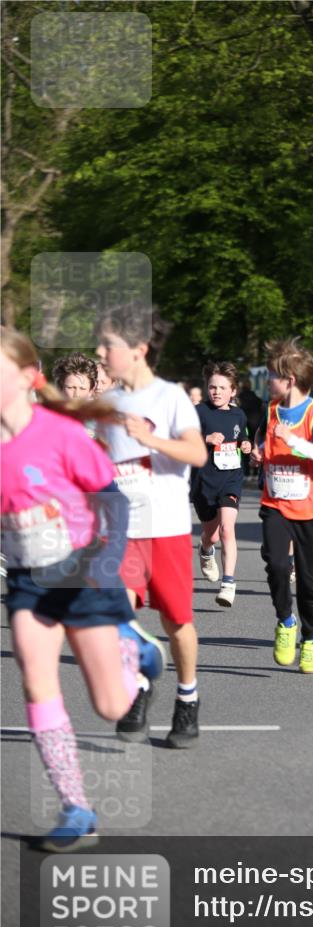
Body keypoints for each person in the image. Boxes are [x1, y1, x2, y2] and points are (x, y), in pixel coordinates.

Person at [0, 328, 161, 851]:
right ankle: (75, 807)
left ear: (27, 378)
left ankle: (135, 649)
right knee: (36, 677)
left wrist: (105, 565)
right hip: (28, 578)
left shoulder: (61, 433)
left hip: (82, 570)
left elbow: (110, 502)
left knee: (112, 707)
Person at [95, 302, 207, 748]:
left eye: (109, 344)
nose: (100, 352)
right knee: (115, 617)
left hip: (167, 528)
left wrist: (149, 439)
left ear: (138, 349)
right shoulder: (106, 403)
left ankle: (187, 696)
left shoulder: (170, 397)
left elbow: (197, 455)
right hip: (121, 533)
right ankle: (139, 687)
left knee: (177, 620)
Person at [252, 338, 313, 674]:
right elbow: (264, 440)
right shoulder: (272, 409)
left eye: (272, 375)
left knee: (310, 577)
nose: (268, 380)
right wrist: (259, 451)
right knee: (275, 564)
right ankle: (285, 622)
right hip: (275, 502)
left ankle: (312, 637)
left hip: (310, 507)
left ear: (289, 379)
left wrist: (296, 443)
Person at [191, 361, 252, 607]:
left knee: (228, 529)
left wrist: (246, 445)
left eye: (222, 387)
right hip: (204, 481)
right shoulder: (198, 411)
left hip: (231, 479)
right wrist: (205, 438)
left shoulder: (239, 413)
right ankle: (205, 550)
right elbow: (182, 438)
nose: (216, 391)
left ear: (233, 391)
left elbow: (243, 437)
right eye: (212, 387)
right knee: (212, 535)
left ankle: (228, 583)